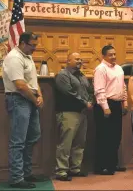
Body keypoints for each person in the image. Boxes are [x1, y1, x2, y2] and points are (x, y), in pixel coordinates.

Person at [2, 32, 44, 189]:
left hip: (30, 100)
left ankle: (26, 173)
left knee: (33, 137)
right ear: (23, 43)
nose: (35, 48)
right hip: (18, 99)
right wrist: (35, 100)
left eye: (36, 45)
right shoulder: (14, 58)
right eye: (32, 45)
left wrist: (39, 95)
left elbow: (33, 80)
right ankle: (16, 178)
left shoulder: (28, 56)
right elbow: (20, 85)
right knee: (18, 141)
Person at [54, 53, 94, 181]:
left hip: (82, 113)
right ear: (68, 60)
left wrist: (91, 101)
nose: (79, 61)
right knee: (65, 143)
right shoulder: (62, 75)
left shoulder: (82, 76)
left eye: (80, 59)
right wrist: (85, 102)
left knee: (79, 143)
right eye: (76, 59)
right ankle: (61, 172)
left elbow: (90, 90)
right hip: (68, 112)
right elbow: (69, 93)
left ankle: (75, 169)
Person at [93, 45, 128, 175]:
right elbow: (99, 90)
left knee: (115, 136)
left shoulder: (119, 68)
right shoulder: (100, 69)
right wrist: (105, 108)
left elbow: (123, 87)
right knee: (104, 137)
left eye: (114, 54)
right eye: (110, 55)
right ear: (104, 56)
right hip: (105, 105)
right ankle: (102, 166)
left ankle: (112, 164)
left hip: (117, 104)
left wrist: (125, 102)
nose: (113, 56)